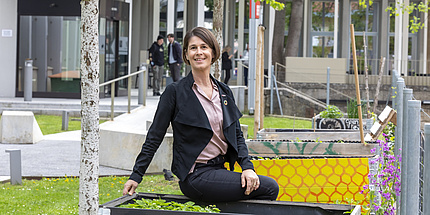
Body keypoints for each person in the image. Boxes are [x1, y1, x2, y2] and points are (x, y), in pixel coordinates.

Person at [123, 27, 279, 202]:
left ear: (213, 52)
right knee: (269, 187)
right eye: (193, 48)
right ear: (186, 55)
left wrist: (247, 168)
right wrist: (136, 175)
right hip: (195, 175)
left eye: (204, 47)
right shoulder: (175, 92)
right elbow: (155, 136)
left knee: (258, 187)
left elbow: (236, 135)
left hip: (220, 170)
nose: (199, 52)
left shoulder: (224, 91)